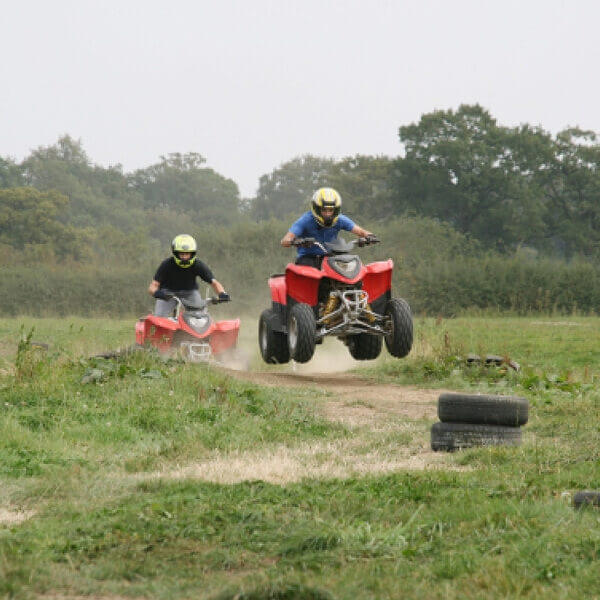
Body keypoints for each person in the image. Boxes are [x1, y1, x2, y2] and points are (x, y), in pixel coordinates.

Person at [280, 187, 375, 267]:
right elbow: (285, 241)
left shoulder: (340, 219)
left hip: (332, 258)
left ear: (336, 210)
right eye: (324, 210)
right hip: (308, 258)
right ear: (316, 209)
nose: (327, 214)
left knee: (357, 268)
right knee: (305, 276)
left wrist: (369, 236)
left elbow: (360, 231)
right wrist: (295, 241)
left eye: (331, 210)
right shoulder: (305, 220)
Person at [148, 234, 229, 317]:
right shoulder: (167, 264)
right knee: (159, 318)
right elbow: (153, 286)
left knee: (199, 316)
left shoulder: (198, 265)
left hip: (190, 293)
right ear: (176, 253)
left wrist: (222, 293)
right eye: (181, 254)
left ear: (192, 254)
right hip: (167, 294)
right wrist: (157, 293)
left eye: (187, 254)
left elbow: (214, 283)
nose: (184, 257)